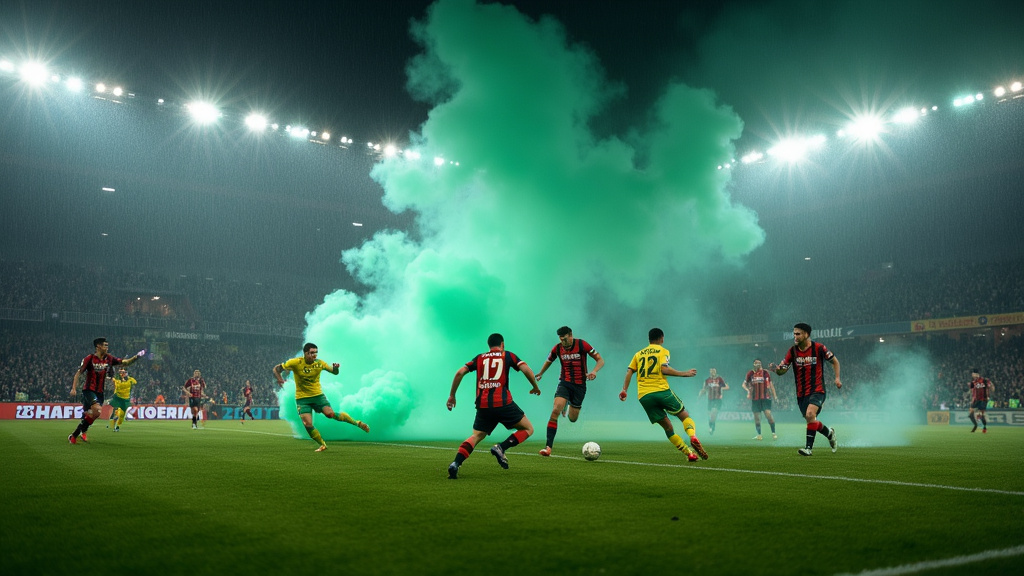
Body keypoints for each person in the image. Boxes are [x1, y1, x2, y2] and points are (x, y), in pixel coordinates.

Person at [446, 333, 541, 479]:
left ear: (489, 346)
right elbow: (525, 369)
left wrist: (452, 395)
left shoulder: (479, 358)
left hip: (483, 405)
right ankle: (501, 447)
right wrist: (535, 386)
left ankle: (455, 464)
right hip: (503, 403)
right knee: (528, 428)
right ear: (502, 344)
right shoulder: (508, 355)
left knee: (476, 436)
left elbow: (460, 372)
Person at [619, 328, 708, 461]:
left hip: (644, 396)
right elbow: (664, 369)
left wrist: (624, 390)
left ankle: (689, 453)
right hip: (661, 391)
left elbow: (629, 371)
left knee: (668, 428)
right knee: (684, 415)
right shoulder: (663, 351)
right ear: (662, 338)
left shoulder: (638, 354)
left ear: (649, 339)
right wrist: (684, 373)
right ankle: (692, 436)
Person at [273, 342, 369, 452]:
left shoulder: (320, 363)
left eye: (316, 353)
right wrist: (279, 379)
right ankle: (322, 444)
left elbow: (335, 372)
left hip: (318, 396)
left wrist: (335, 368)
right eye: (312, 353)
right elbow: (276, 369)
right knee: (307, 424)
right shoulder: (295, 362)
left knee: (330, 414)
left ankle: (358, 423)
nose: (314, 355)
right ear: (305, 353)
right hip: (302, 399)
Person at [769, 323, 841, 456]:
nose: (795, 336)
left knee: (810, 415)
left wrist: (837, 378)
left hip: (817, 389)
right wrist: (776, 370)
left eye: (798, 334)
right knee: (810, 419)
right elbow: (782, 370)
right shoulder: (792, 351)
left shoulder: (819, 348)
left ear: (806, 334)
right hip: (801, 393)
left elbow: (835, 361)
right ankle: (830, 433)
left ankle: (808, 449)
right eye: (794, 334)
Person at [533, 326, 605, 457]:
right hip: (564, 383)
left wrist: (594, 371)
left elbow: (600, 360)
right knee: (555, 410)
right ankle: (548, 447)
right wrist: (541, 373)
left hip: (580, 386)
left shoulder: (582, 344)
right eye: (561, 340)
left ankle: (568, 403)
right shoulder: (557, 348)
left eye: (565, 339)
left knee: (572, 418)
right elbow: (549, 360)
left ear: (570, 335)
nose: (563, 342)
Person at [69, 338, 144, 444]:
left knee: (94, 414)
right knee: (96, 409)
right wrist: (73, 388)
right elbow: (78, 373)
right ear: (98, 346)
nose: (107, 347)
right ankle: (77, 434)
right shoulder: (89, 358)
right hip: (89, 390)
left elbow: (125, 363)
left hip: (100, 392)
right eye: (105, 345)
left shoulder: (108, 358)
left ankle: (76, 434)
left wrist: (136, 357)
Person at [742, 359, 778, 440]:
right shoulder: (750, 373)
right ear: (754, 364)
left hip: (765, 398)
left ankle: (774, 433)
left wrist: (775, 396)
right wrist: (748, 390)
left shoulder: (765, 373)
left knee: (768, 414)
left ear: (761, 364)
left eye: (759, 363)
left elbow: (771, 385)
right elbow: (743, 384)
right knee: (757, 418)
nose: (757, 364)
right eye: (756, 363)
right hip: (755, 399)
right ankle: (759, 435)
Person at [697, 368, 729, 435]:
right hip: (710, 400)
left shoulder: (719, 379)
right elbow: (704, 389)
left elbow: (727, 387)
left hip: (717, 399)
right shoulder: (707, 381)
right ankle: (712, 427)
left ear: (716, 372)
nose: (713, 372)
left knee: (713, 414)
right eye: (711, 371)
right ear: (710, 372)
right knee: (710, 416)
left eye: (714, 371)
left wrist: (720, 388)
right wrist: (699, 397)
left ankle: (711, 428)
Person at [967, 369, 995, 433]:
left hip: (983, 399)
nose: (973, 375)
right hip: (975, 400)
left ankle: (984, 427)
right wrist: (969, 396)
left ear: (976, 374)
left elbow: (991, 386)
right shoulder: (973, 382)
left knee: (981, 415)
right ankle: (975, 425)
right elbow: (971, 391)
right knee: (970, 414)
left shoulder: (984, 380)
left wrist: (992, 388)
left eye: (973, 374)